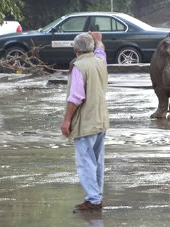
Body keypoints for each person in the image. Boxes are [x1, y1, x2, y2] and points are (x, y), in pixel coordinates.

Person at [60, 32, 109, 212]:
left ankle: (94, 200)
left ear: (75, 50)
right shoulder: (99, 61)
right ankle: (96, 196)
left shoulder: (79, 67)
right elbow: (101, 51)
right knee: (97, 161)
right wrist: (98, 40)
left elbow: (76, 97)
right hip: (101, 120)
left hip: (86, 122)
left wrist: (66, 120)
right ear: (92, 48)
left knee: (86, 162)